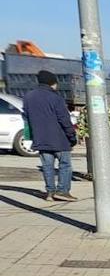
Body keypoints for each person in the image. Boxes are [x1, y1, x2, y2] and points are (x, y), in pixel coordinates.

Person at [22, 70, 78, 201]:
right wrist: (72, 136)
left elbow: (26, 117)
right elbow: (64, 119)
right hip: (59, 139)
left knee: (47, 166)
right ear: (52, 83)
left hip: (41, 138)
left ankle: (50, 192)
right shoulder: (56, 98)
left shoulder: (28, 97)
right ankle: (63, 191)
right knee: (65, 165)